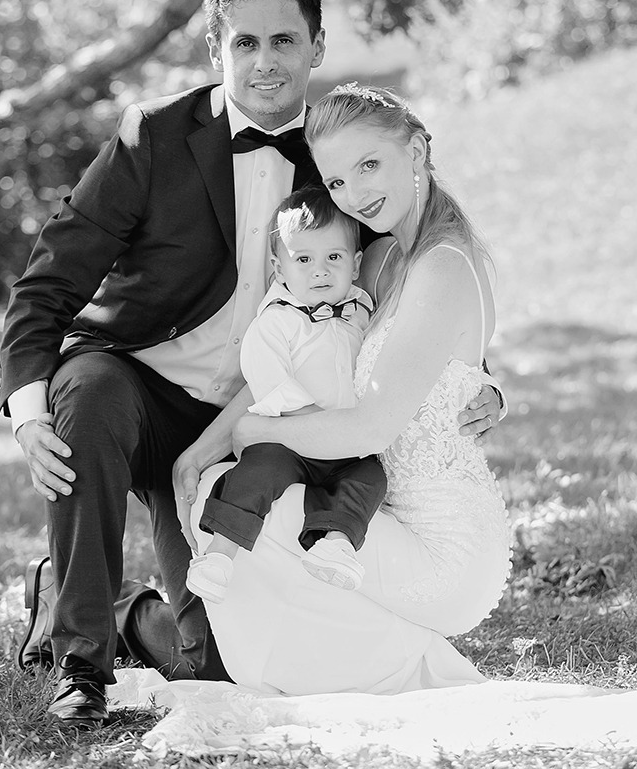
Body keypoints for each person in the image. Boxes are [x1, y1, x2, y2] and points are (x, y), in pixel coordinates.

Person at [0, 0, 501, 727]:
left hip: (249, 419)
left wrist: (476, 377)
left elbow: (415, 280)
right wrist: (29, 414)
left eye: (284, 41)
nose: (265, 61)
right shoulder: (152, 138)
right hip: (137, 385)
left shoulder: (339, 158)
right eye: (245, 42)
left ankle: (128, 610)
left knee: (221, 663)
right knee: (88, 400)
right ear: (216, 49)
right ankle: (80, 660)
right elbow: (48, 283)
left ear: (317, 47)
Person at [178, 83, 512, 696]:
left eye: (369, 165)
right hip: (378, 512)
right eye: (335, 181)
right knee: (228, 491)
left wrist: (253, 431)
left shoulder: (440, 263)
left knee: (238, 504)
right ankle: (355, 654)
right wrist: (206, 446)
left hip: (443, 549)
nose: (354, 195)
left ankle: (405, 663)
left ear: (416, 151)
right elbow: (313, 357)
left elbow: (370, 427)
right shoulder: (382, 259)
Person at [187, 184, 386, 604]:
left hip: (348, 445)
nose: (320, 271)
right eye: (304, 260)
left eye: (334, 258)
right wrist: (319, 423)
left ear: (356, 264)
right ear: (280, 268)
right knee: (259, 471)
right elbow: (270, 380)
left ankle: (335, 543)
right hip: (289, 437)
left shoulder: (363, 311)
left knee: (369, 478)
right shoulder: (275, 323)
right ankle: (220, 553)